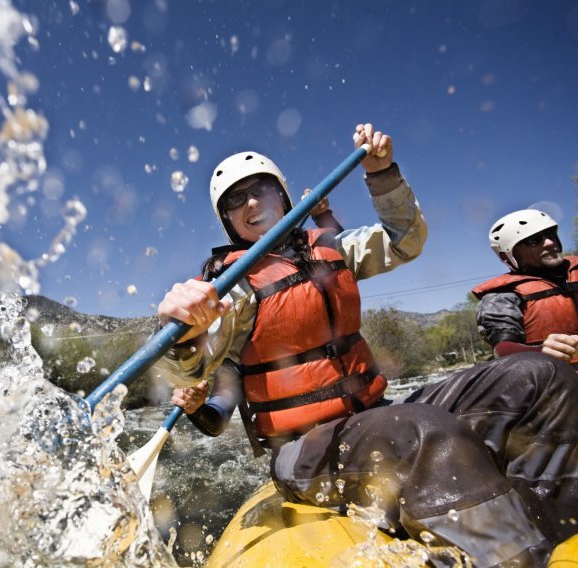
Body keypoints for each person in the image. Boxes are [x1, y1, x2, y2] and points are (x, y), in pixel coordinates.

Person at [155, 124, 578, 566]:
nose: (252, 203)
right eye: (235, 201)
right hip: (303, 451)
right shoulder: (230, 288)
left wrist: (382, 175)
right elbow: (193, 369)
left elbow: (405, 240)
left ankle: (547, 527)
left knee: (540, 377)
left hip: (375, 415)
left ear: (282, 194)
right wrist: (182, 330)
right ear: (227, 220)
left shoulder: (330, 248)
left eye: (260, 189)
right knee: (419, 430)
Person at [471, 209, 578, 365]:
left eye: (551, 235)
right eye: (534, 240)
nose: (550, 242)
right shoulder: (501, 296)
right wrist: (541, 352)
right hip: (558, 379)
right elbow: (502, 349)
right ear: (508, 255)